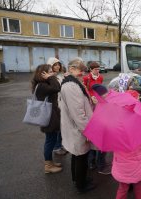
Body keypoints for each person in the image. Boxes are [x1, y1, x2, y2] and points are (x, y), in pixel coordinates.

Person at [92, 84, 141, 199]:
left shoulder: (113, 134)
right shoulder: (138, 132)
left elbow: (110, 145)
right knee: (139, 187)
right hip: (136, 166)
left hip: (121, 168)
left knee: (122, 189)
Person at [60, 59, 95, 193]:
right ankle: (81, 185)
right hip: (78, 128)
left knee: (77, 155)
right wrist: (88, 131)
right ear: (72, 68)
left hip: (76, 127)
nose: (82, 73)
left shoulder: (72, 82)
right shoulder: (71, 86)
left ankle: (78, 179)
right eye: (80, 70)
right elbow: (78, 113)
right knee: (81, 156)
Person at [31, 64, 62, 174]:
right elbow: (57, 88)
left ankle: (50, 162)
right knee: (50, 141)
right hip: (49, 117)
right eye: (49, 72)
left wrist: (50, 77)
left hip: (50, 115)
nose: (52, 73)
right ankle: (48, 165)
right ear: (43, 74)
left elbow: (56, 87)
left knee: (52, 139)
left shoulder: (43, 84)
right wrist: (51, 77)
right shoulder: (42, 86)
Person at [83, 62, 109, 174]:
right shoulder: (86, 78)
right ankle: (94, 163)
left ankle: (94, 162)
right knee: (95, 142)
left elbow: (101, 89)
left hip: (98, 101)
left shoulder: (101, 77)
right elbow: (84, 89)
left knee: (95, 141)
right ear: (91, 69)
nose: (98, 71)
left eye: (99, 69)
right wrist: (91, 97)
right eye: (96, 69)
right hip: (91, 102)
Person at [47, 57, 67, 156]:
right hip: (54, 105)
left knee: (62, 126)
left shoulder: (61, 75)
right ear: (50, 66)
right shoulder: (48, 77)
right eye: (55, 65)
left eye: (58, 64)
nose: (57, 66)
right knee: (57, 127)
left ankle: (61, 144)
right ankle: (56, 147)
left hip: (62, 103)